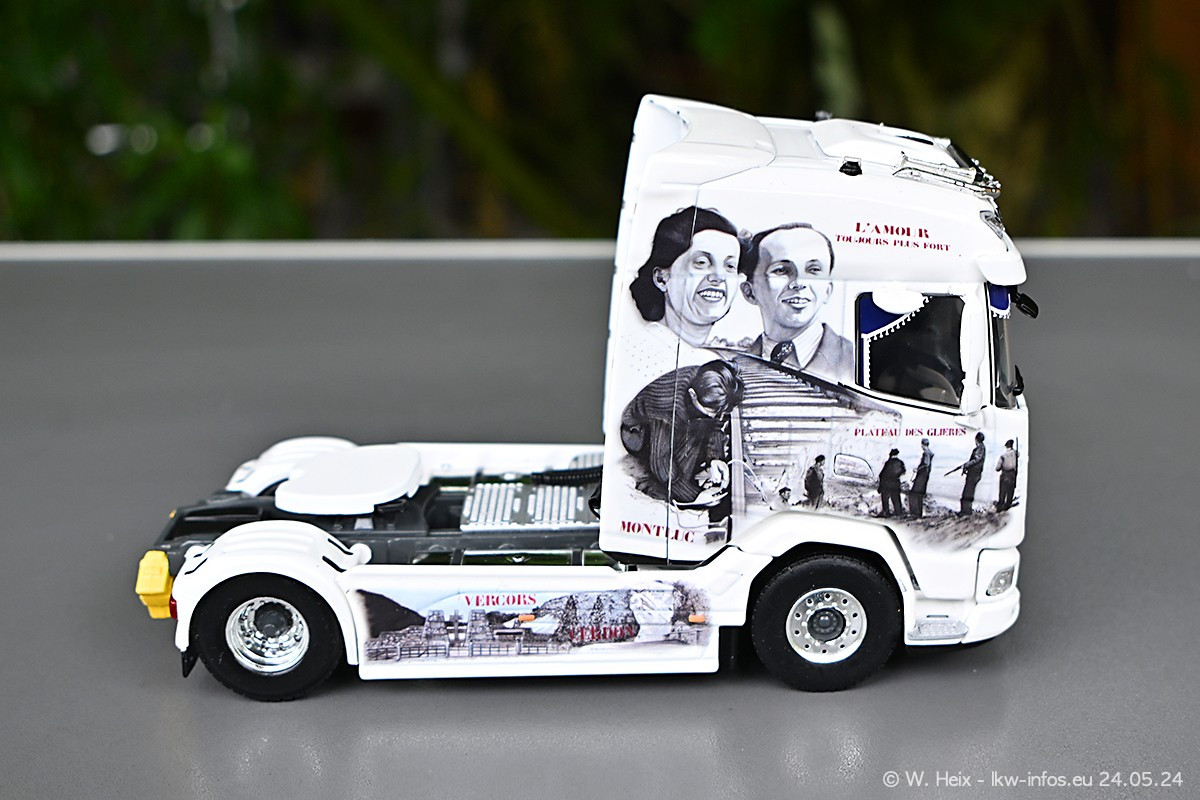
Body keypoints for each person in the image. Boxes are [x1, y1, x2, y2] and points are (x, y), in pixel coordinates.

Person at [620, 359, 744, 508]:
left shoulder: (708, 379)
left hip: (673, 418)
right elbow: (661, 462)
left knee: (700, 426)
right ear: (692, 394)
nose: (716, 417)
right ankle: (653, 489)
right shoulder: (668, 407)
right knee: (671, 472)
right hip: (638, 433)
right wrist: (694, 495)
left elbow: (713, 423)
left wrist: (715, 458)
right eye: (710, 412)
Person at [738, 223, 853, 382]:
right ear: (749, 292)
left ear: (828, 289)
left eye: (813, 270)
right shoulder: (732, 370)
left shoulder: (857, 362)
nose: (799, 283)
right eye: (781, 270)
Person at [629, 207, 743, 347]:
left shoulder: (723, 352)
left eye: (730, 266)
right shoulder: (643, 346)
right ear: (661, 279)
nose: (719, 277)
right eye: (701, 263)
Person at [959, 432, 986, 516]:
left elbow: (976, 460)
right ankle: (966, 511)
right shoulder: (981, 448)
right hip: (974, 473)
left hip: (974, 474)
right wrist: (966, 467)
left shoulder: (980, 449)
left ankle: (966, 512)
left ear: (976, 439)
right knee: (968, 492)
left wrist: (966, 465)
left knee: (967, 493)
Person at [908, 438, 933, 517]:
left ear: (922, 445)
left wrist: (917, 469)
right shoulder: (929, 452)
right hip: (925, 476)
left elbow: (926, 464)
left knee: (913, 494)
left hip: (922, 476)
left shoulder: (926, 453)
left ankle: (914, 513)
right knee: (919, 495)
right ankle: (918, 513)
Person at [878, 448, 906, 517]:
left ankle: (886, 512)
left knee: (885, 499)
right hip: (895, 484)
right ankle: (898, 513)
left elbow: (881, 475)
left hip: (886, 484)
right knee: (896, 500)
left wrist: (880, 486)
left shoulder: (887, 463)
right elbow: (903, 471)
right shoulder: (900, 462)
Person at [995, 439, 1018, 511]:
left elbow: (997, 468)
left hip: (1005, 473)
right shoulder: (1015, 453)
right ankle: (1008, 504)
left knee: (1002, 490)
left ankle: (1000, 506)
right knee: (1010, 490)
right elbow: (1018, 454)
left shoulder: (1003, 456)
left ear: (1006, 446)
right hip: (1012, 474)